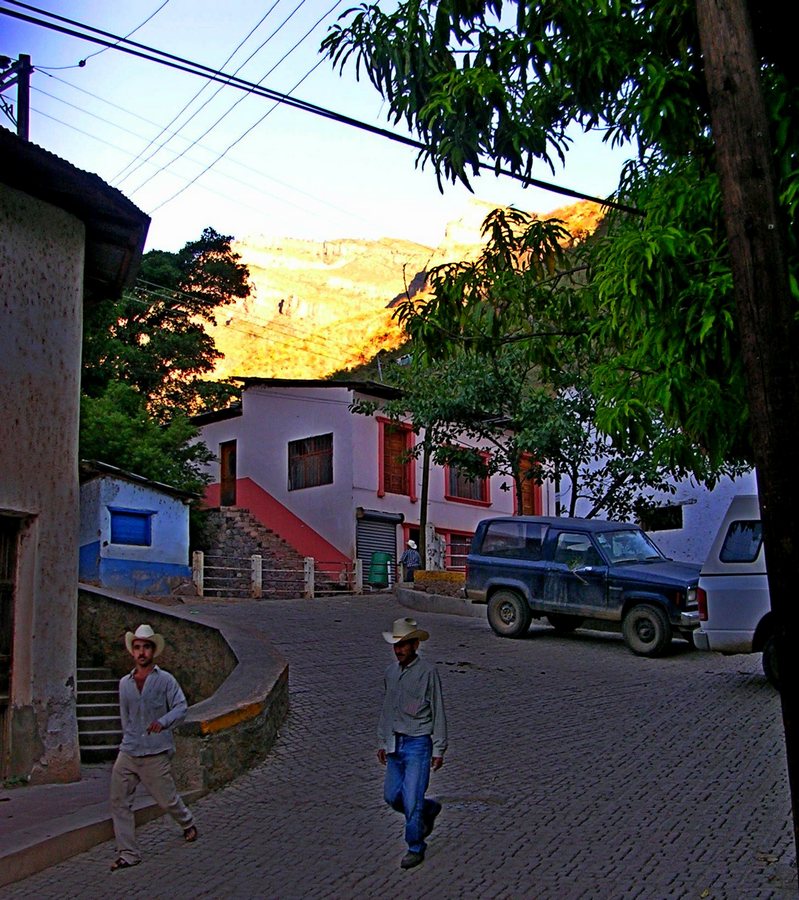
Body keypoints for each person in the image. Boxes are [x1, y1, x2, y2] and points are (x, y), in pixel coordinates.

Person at [109, 623, 198, 871]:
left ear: (153, 651)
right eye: (137, 648)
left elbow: (181, 707)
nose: (141, 653)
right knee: (119, 800)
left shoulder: (165, 680)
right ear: (132, 651)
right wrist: (126, 740)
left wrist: (163, 722)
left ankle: (187, 822)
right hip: (129, 750)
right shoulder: (124, 684)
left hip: (155, 752)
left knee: (167, 800)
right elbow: (124, 716)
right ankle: (128, 853)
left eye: (146, 648)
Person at [377, 617, 447, 870]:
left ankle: (415, 845)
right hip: (395, 743)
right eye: (396, 645)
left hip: (418, 743)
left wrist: (438, 748)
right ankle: (430, 810)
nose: (399, 650)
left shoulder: (428, 673)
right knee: (392, 796)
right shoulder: (391, 673)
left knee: (411, 799)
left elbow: (438, 711)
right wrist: (383, 741)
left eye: (404, 645)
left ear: (415, 645)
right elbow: (387, 709)